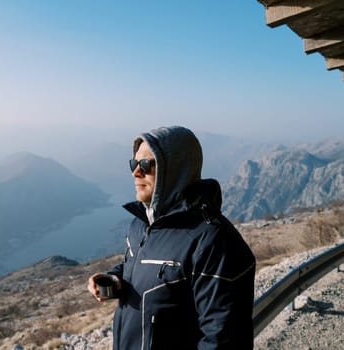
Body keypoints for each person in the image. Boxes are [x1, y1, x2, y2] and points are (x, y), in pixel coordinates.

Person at [87, 126, 256, 350]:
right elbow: (148, 270)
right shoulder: (141, 224)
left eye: (146, 165)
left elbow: (223, 339)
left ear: (176, 169)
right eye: (134, 164)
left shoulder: (213, 240)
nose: (136, 172)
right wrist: (117, 280)